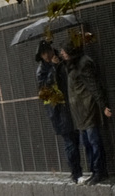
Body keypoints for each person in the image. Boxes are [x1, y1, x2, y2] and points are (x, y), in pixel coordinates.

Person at [60, 41, 112, 185]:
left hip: (87, 109)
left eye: (64, 52)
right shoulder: (72, 64)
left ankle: (98, 171)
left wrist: (103, 105)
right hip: (80, 112)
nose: (62, 54)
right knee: (87, 143)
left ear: (70, 52)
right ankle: (95, 171)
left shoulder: (83, 64)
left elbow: (94, 86)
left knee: (93, 142)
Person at [35, 40, 82, 183]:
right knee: (69, 141)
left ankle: (79, 172)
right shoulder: (42, 70)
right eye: (44, 53)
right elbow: (44, 90)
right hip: (58, 110)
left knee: (78, 138)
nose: (47, 55)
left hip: (71, 104)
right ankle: (76, 173)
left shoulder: (61, 59)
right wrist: (54, 68)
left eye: (48, 51)